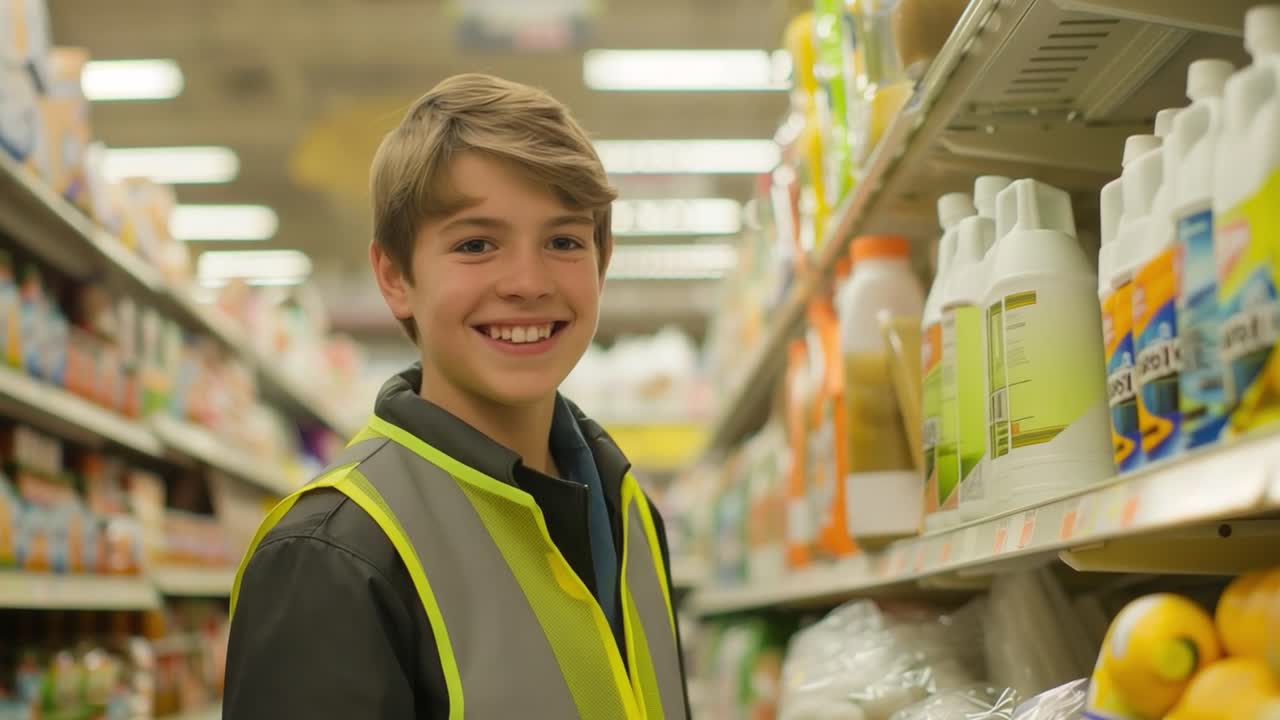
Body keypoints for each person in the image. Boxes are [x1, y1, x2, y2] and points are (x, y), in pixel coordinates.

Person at [222, 73, 691, 719]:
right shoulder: (332, 553)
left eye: (563, 241)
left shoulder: (628, 510)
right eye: (476, 244)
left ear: (601, 263)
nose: (528, 282)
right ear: (395, 277)